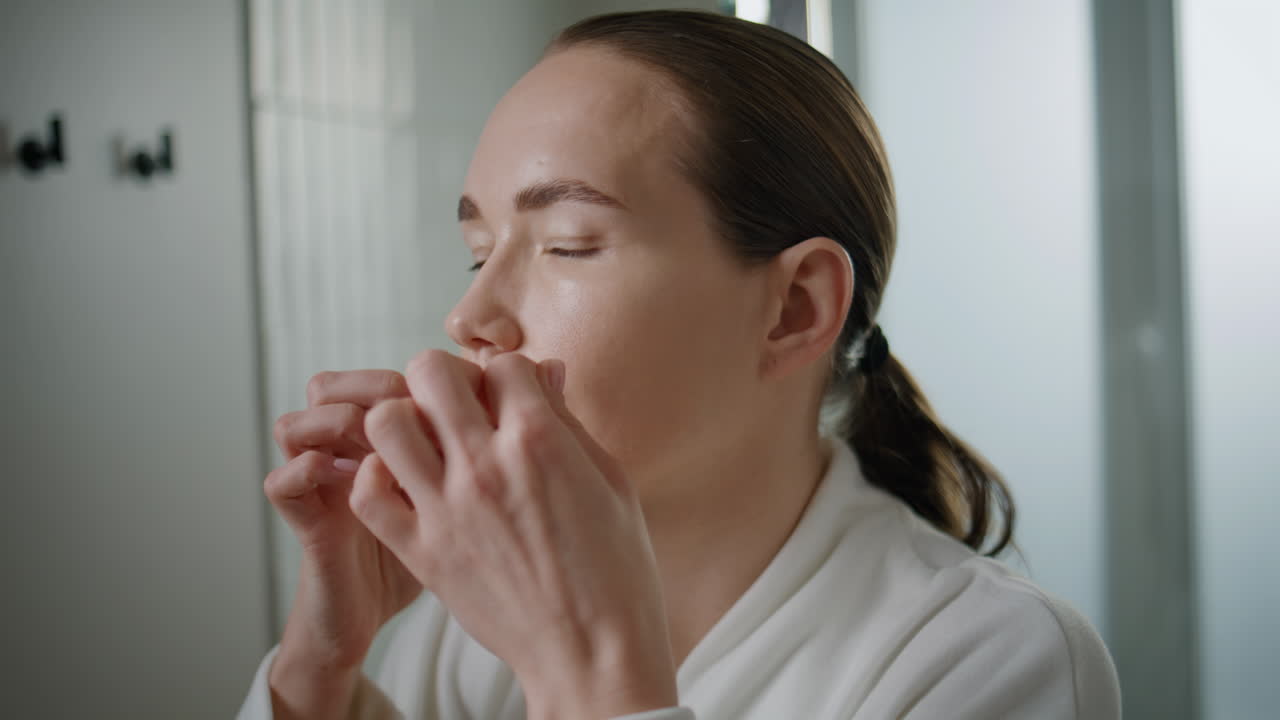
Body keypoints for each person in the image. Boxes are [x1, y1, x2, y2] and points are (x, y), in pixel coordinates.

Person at [237, 10, 1120, 720]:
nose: (470, 317)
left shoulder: (990, 658)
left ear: (795, 308)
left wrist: (587, 676)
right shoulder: (464, 622)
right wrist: (322, 670)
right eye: (478, 252)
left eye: (567, 244)